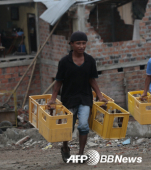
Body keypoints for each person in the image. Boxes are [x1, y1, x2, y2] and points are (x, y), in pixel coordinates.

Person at [48, 31, 107, 163]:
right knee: (68, 128)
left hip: (85, 98)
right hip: (69, 99)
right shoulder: (64, 62)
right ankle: (65, 148)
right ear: (71, 44)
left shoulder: (90, 61)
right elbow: (58, 81)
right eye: (78, 43)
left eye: (84, 43)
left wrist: (100, 95)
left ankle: (80, 154)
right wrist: (53, 99)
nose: (81, 46)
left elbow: (92, 80)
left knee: (83, 126)